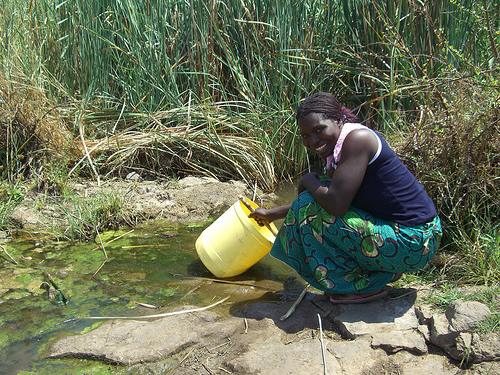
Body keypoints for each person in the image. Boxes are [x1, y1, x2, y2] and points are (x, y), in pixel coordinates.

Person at [249, 92, 442, 304]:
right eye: (305, 135)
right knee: (312, 202)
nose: (312, 141)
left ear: (339, 120)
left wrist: (307, 180)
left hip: (415, 240)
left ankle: (360, 287)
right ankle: (380, 273)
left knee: (310, 206)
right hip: (409, 237)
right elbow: (329, 198)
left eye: (319, 130)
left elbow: (335, 204)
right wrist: (270, 214)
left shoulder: (358, 140)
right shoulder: (339, 151)